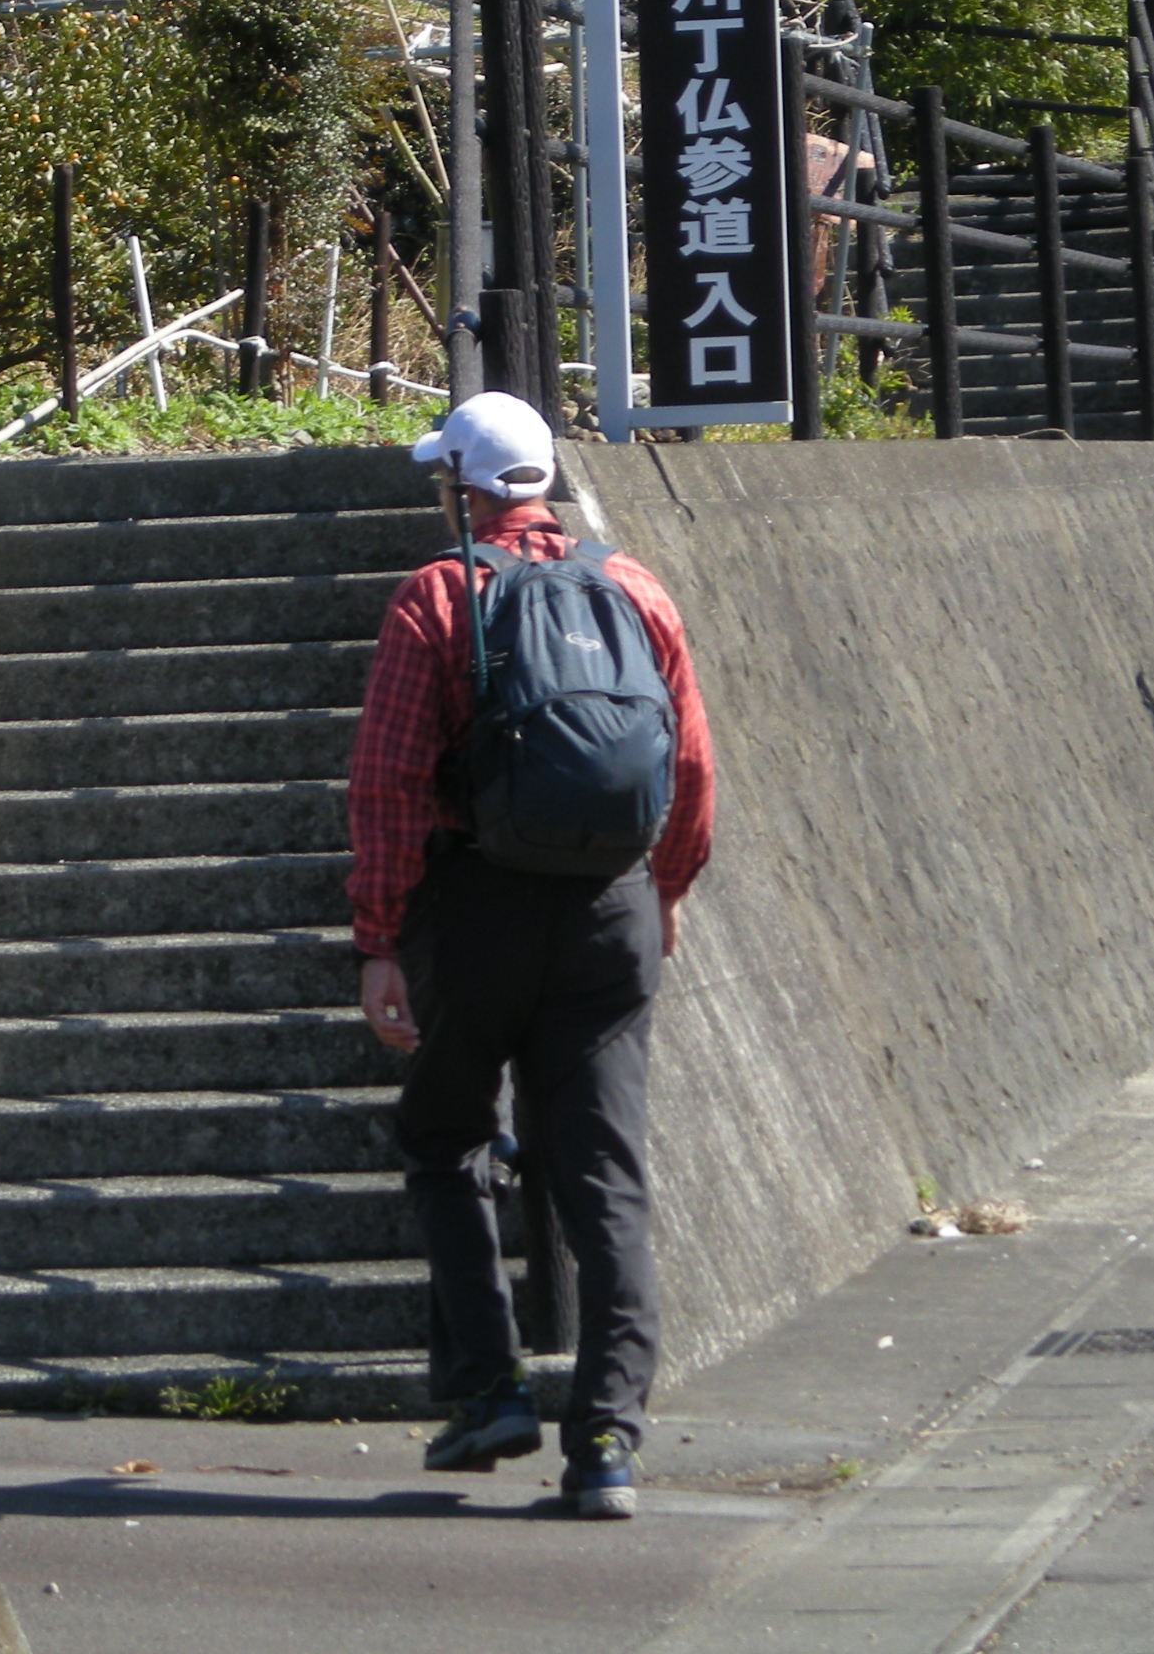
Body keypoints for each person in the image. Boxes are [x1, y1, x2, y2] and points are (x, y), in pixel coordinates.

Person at [346, 391, 714, 1521]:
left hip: (477, 908)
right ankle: (605, 1442)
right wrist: (665, 888)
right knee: (603, 1172)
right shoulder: (634, 586)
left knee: (444, 1135)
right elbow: (690, 763)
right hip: (612, 909)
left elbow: (389, 783)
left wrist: (379, 939)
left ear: (460, 488)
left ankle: (489, 1390)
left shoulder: (438, 594)